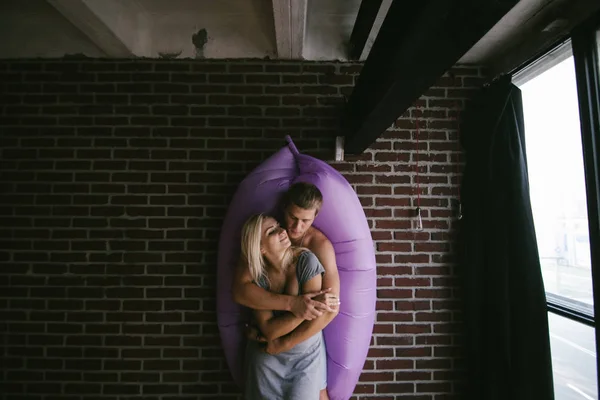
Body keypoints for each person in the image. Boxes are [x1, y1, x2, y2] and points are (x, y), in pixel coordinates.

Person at [232, 182, 340, 400]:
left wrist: (282, 343)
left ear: (315, 218)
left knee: (320, 396)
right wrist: (293, 304)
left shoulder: (318, 247)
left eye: (306, 221)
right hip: (268, 340)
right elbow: (241, 291)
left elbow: (329, 308)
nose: (297, 227)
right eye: (292, 217)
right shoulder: (263, 236)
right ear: (284, 208)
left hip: (301, 345)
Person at [241, 213, 329, 400]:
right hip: (267, 355)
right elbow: (270, 330)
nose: (282, 231)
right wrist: (306, 307)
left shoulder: (307, 261)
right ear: (260, 248)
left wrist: (307, 309)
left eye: (279, 225)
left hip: (305, 356)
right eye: (272, 231)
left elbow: (315, 317)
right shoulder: (258, 277)